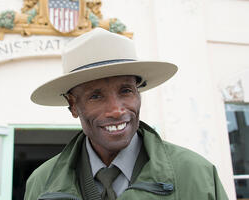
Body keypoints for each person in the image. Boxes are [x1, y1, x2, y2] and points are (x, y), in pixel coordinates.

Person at [24, 28, 228, 200]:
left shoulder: (197, 175)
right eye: (96, 96)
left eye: (126, 91)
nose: (116, 110)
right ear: (73, 105)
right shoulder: (41, 183)